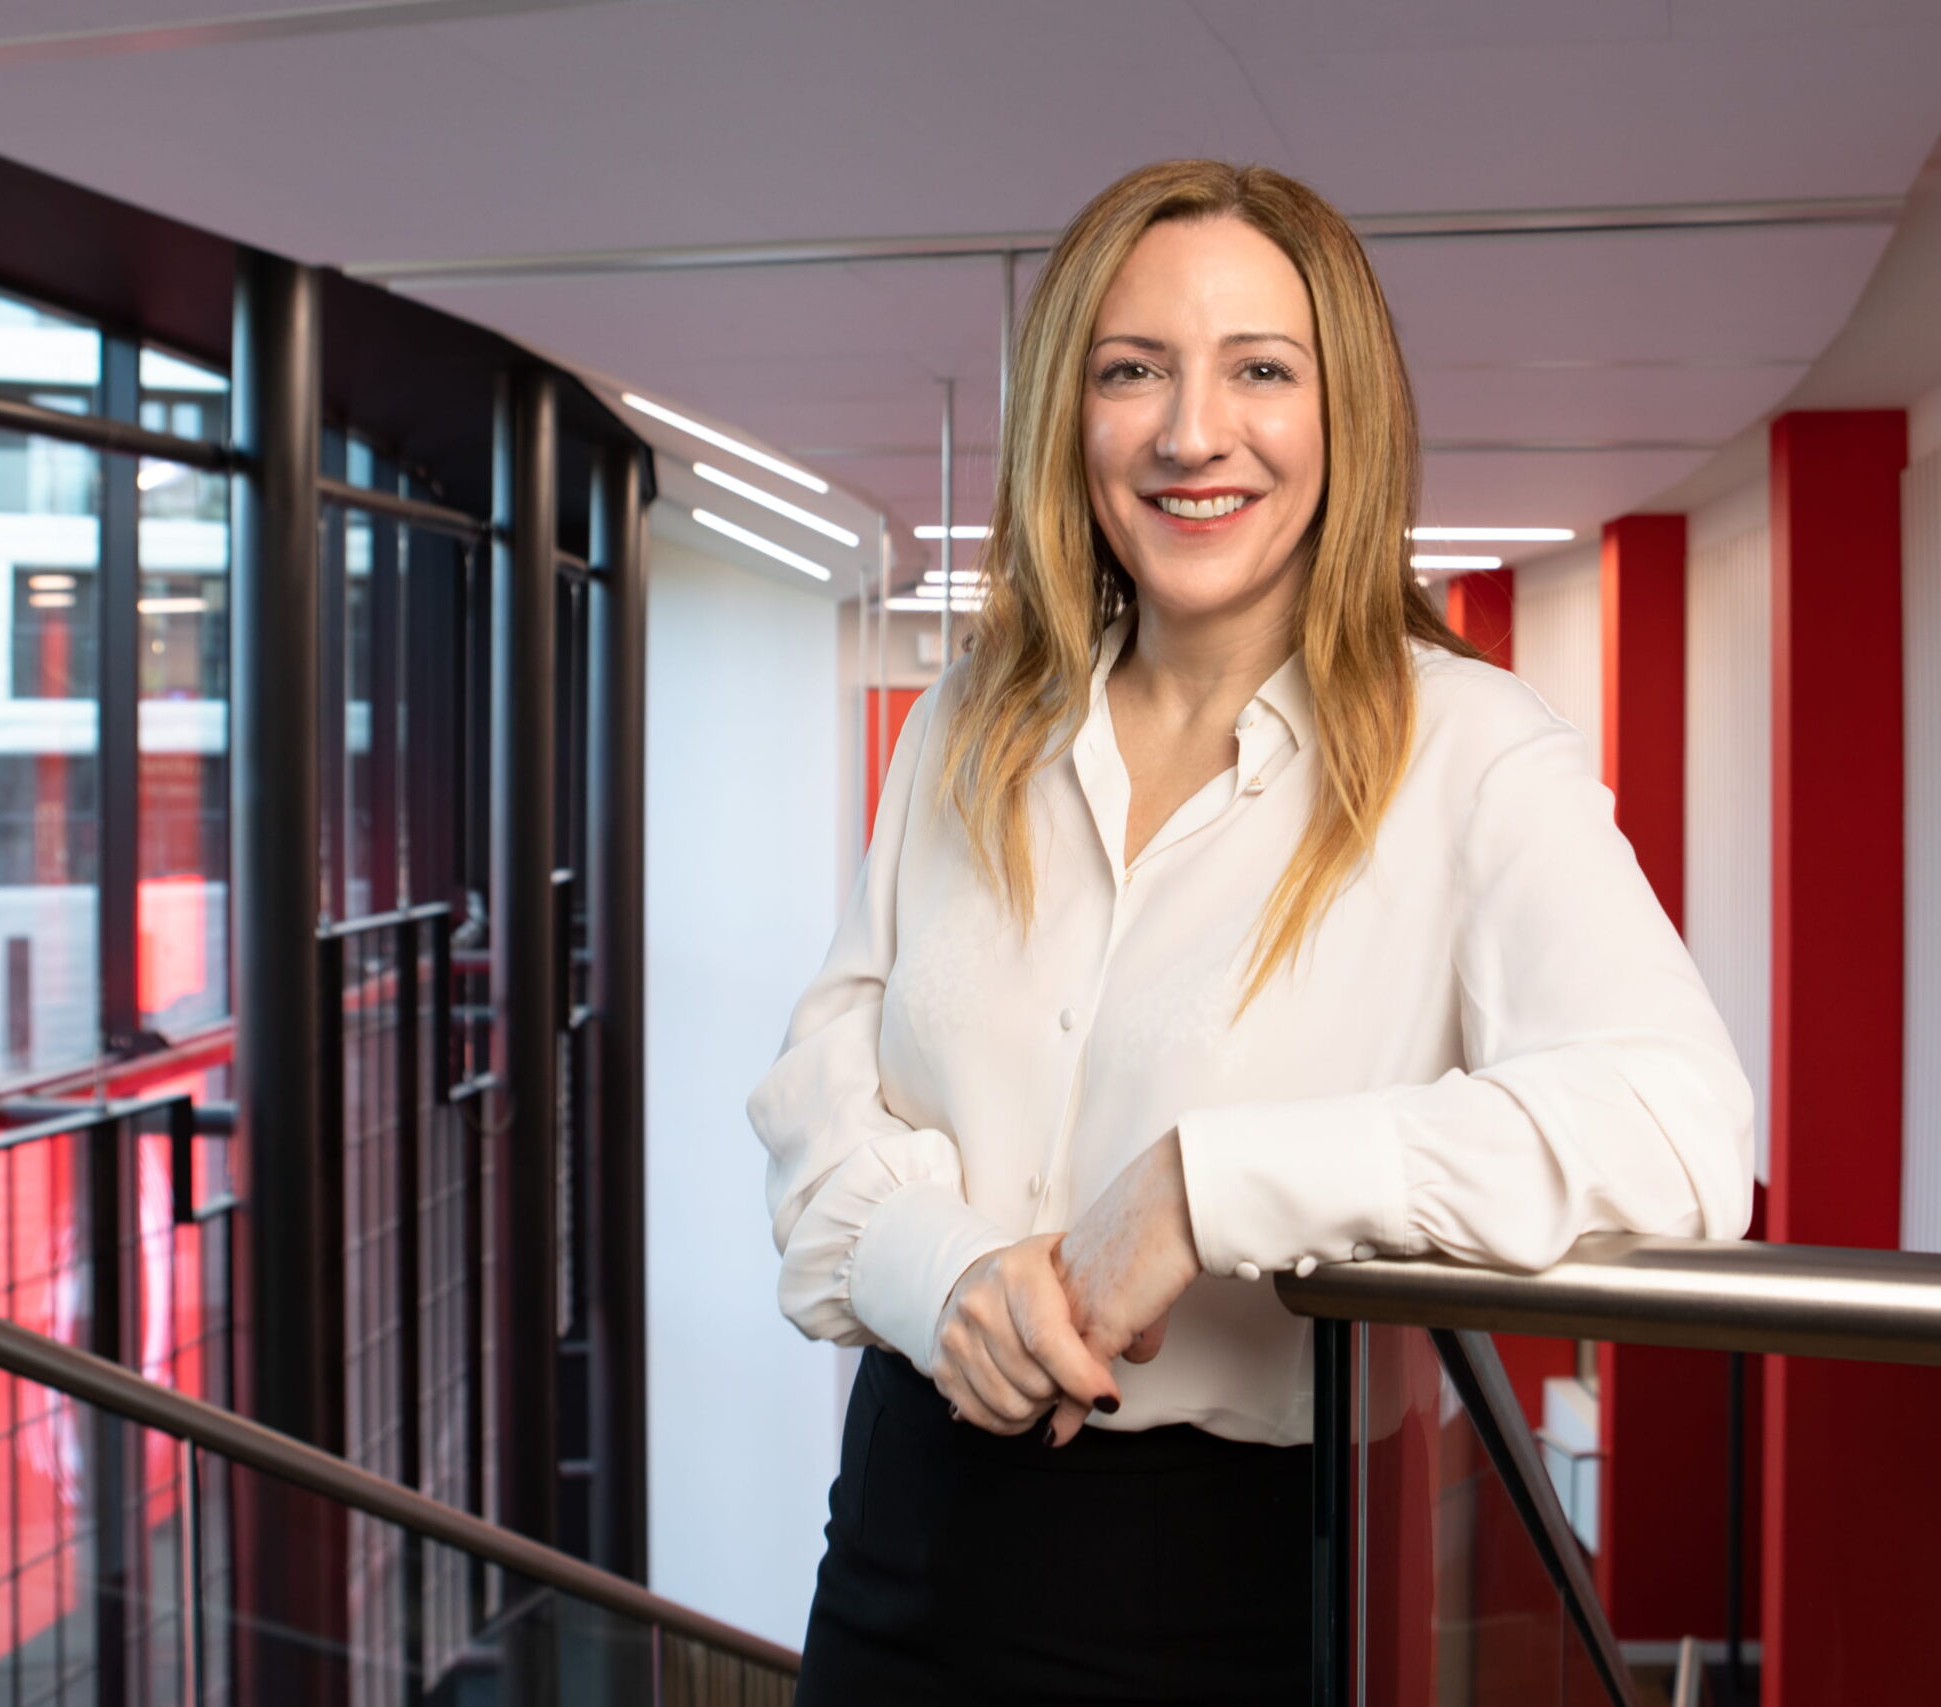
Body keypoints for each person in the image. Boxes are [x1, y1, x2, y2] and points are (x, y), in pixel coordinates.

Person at [750, 158, 1755, 1706]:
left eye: (1259, 371)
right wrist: (936, 1266)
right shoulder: (969, 720)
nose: (1189, 433)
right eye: (1131, 371)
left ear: (1342, 412)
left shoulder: (1472, 755)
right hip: (900, 1542)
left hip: (1234, 1591)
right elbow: (821, 1089)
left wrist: (1214, 1187)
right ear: (1067, 419)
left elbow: (1683, 1135)